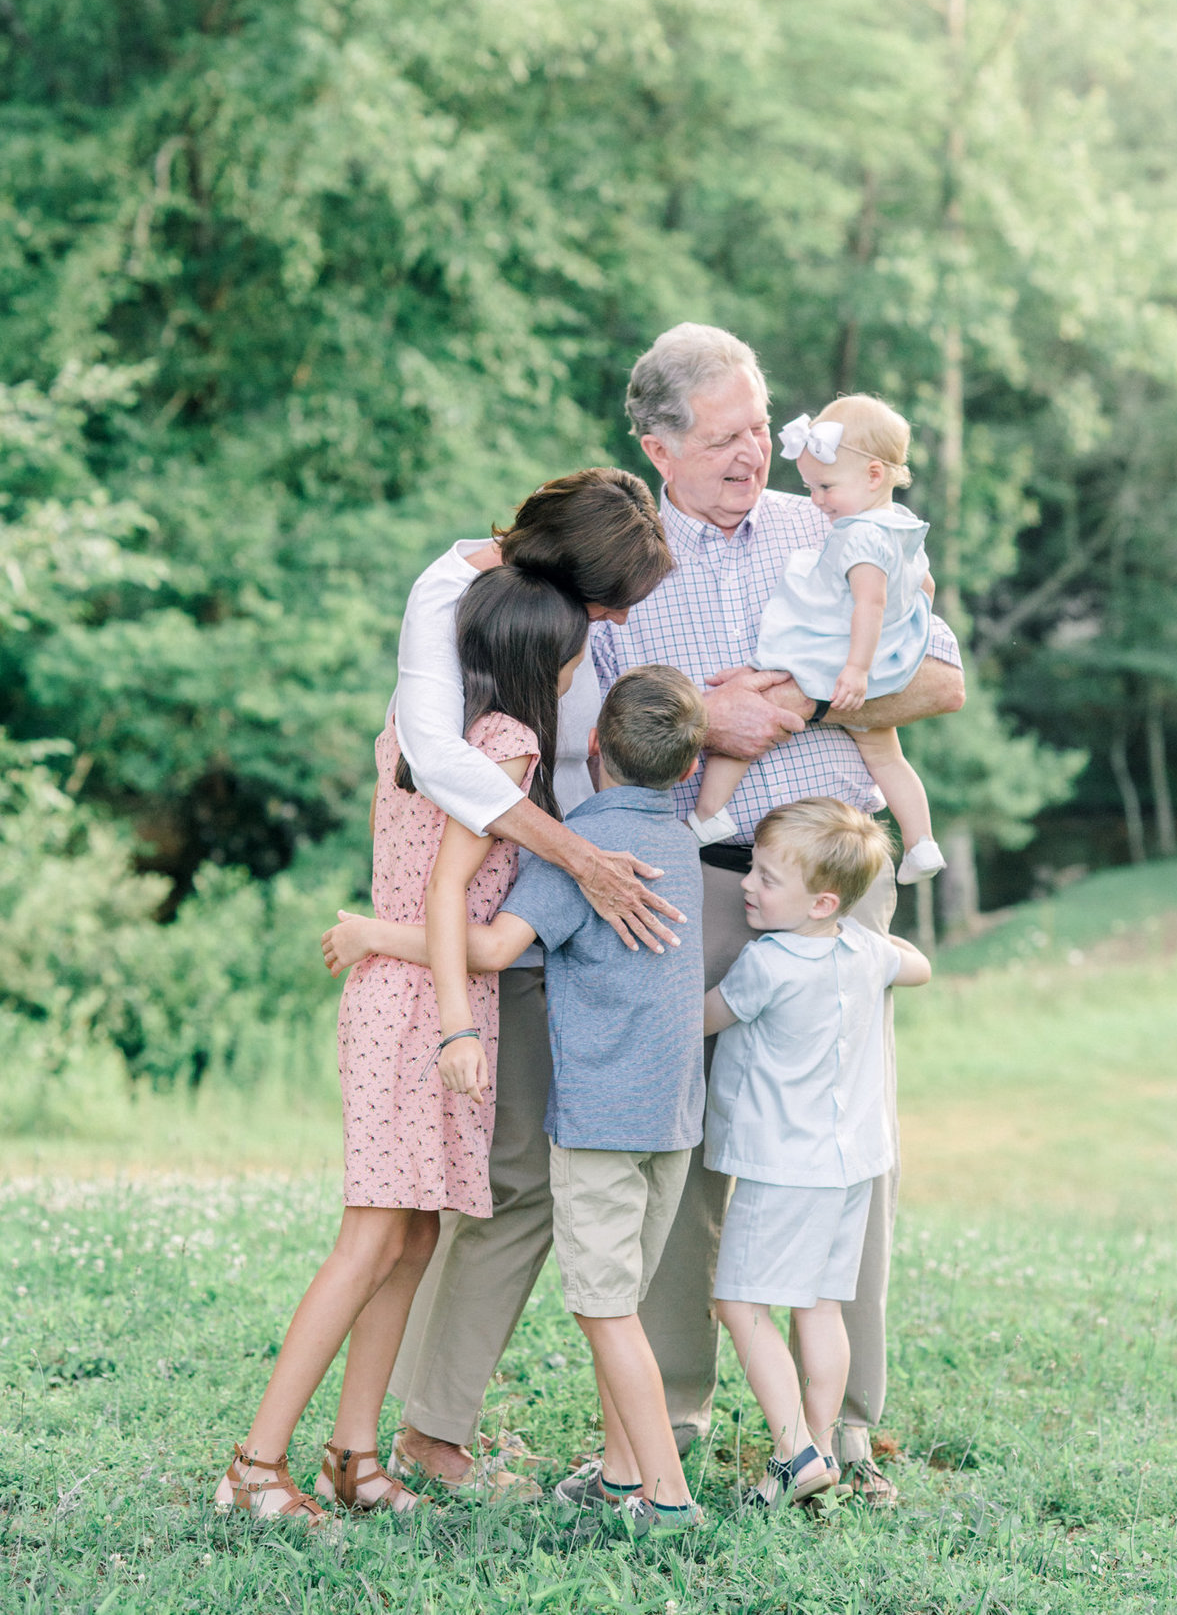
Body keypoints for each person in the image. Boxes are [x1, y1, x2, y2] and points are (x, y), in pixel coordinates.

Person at [384, 327, 964, 1505]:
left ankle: (846, 1421)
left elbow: (941, 679)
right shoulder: (621, 566)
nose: (756, 452)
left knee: (841, 1151)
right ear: (657, 446)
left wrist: (797, 712)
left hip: (835, 881)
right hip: (686, 876)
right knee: (676, 1149)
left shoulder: (831, 524)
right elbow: (589, 736)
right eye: (725, 436)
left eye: (761, 426)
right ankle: (676, 1415)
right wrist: (708, 721)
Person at [215, 567, 588, 1527]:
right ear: (545, 660)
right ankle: (255, 1466)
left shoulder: (413, 731)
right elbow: (450, 897)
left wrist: (381, 941)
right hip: (431, 1002)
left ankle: (354, 1455)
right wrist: (441, 998)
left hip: (408, 990)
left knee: (417, 1231)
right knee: (373, 1235)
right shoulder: (507, 746)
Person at [327, 666, 711, 1532]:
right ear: (690, 769)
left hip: (597, 1126)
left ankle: (667, 1499)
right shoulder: (691, 843)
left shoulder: (579, 851)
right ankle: (621, 1477)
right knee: (631, 1297)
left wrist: (372, 935)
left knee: (605, 1309)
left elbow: (495, 948)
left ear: (591, 748)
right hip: (673, 1123)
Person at [702, 800, 931, 1511]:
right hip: (850, 1166)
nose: (748, 884)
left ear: (821, 900)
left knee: (739, 1302)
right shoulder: (865, 951)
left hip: (781, 1166)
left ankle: (795, 1450)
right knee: (821, 1305)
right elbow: (918, 966)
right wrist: (864, 939)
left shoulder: (764, 963)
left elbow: (701, 1019)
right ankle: (825, 1447)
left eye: (768, 878)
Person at [688, 394, 946, 885]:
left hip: (830, 653)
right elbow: (924, 589)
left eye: (826, 486)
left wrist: (854, 668)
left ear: (873, 475)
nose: (816, 501)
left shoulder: (858, 535)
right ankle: (921, 843)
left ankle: (707, 816)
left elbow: (867, 603)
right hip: (886, 659)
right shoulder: (905, 530)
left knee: (749, 709)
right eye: (811, 487)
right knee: (888, 758)